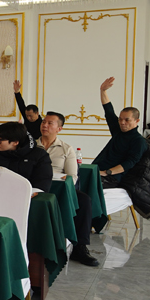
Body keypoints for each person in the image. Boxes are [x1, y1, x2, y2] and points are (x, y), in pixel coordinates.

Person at [37, 111, 99, 267]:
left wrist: (63, 182)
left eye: (50, 123)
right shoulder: (32, 145)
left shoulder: (66, 149)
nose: (45, 125)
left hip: (58, 188)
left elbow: (72, 176)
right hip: (37, 187)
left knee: (84, 200)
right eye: (44, 122)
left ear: (59, 128)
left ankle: (80, 247)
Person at [94, 76, 146, 188]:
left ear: (137, 121)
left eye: (127, 120)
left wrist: (107, 172)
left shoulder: (139, 141)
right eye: (120, 119)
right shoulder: (118, 130)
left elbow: (129, 163)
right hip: (96, 170)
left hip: (112, 177)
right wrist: (103, 91)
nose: (122, 123)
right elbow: (109, 111)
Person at [0, 122, 53, 191]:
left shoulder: (39, 155)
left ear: (15, 142)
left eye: (1, 140)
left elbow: (42, 184)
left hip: (28, 195)